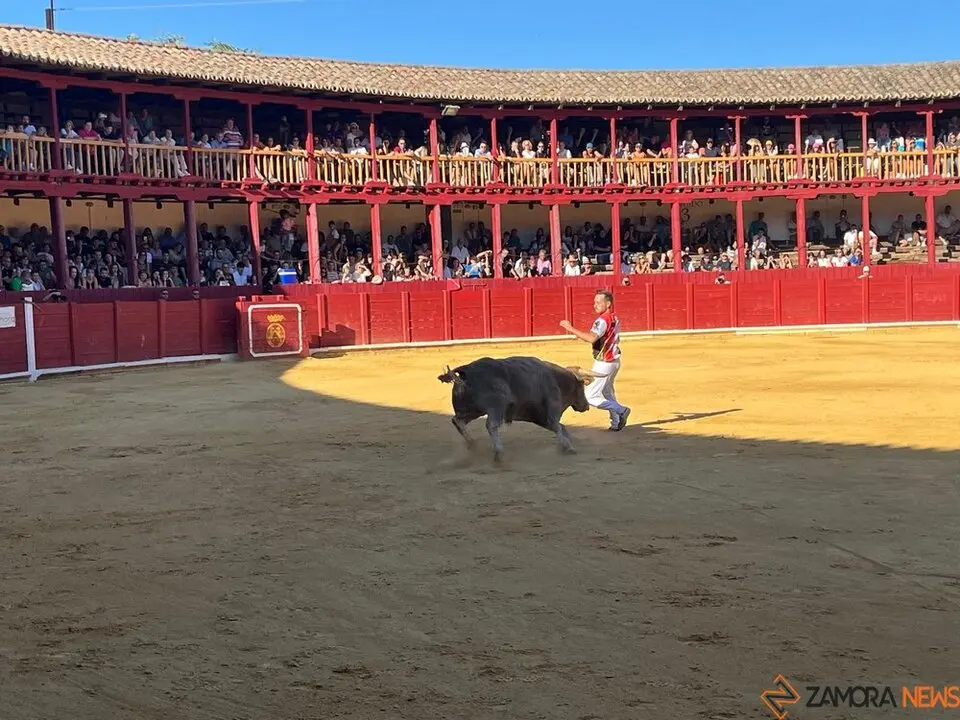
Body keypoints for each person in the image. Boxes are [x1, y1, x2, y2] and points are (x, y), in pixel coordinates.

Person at [559, 289, 630, 431]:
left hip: (604, 363)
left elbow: (591, 338)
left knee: (590, 396)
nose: (595, 305)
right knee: (607, 392)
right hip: (614, 361)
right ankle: (616, 422)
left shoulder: (602, 320)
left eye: (598, 302)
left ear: (608, 304)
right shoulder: (614, 317)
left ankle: (621, 410)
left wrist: (570, 328)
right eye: (594, 302)